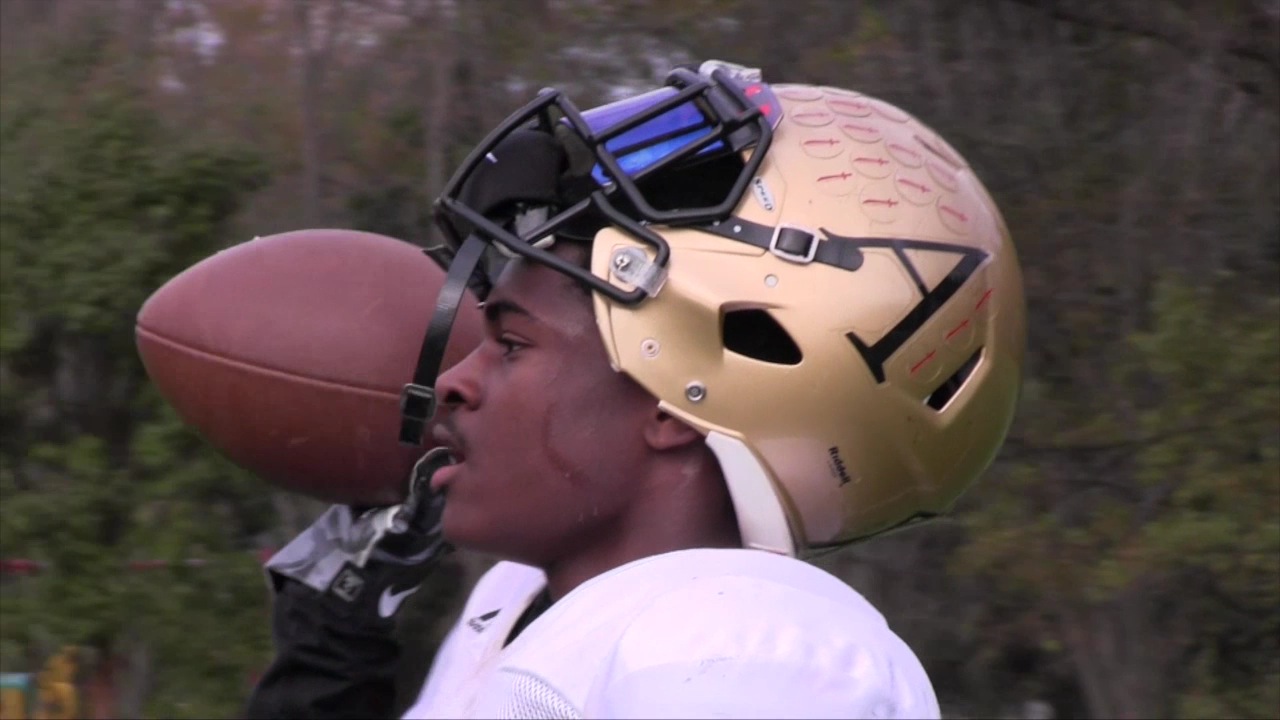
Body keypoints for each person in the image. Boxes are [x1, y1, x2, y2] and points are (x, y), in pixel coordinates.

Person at [245, 59, 1026, 719]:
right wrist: (329, 668)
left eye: (512, 344)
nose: (453, 383)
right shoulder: (521, 610)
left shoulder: (740, 650)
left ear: (680, 399)